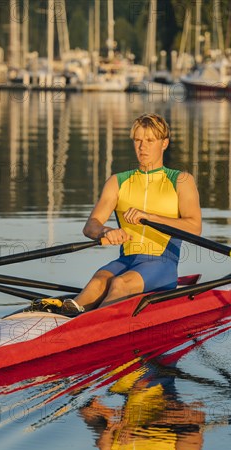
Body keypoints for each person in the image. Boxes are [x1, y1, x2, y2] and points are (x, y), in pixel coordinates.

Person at [62, 113, 202, 315]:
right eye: (137, 140)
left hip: (162, 264)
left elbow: (194, 227)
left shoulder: (181, 180)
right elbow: (90, 225)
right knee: (98, 281)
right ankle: (63, 319)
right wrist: (105, 231)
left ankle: (93, 328)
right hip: (127, 260)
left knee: (120, 284)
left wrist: (151, 217)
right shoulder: (117, 182)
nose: (142, 147)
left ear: (164, 144)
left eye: (149, 140)